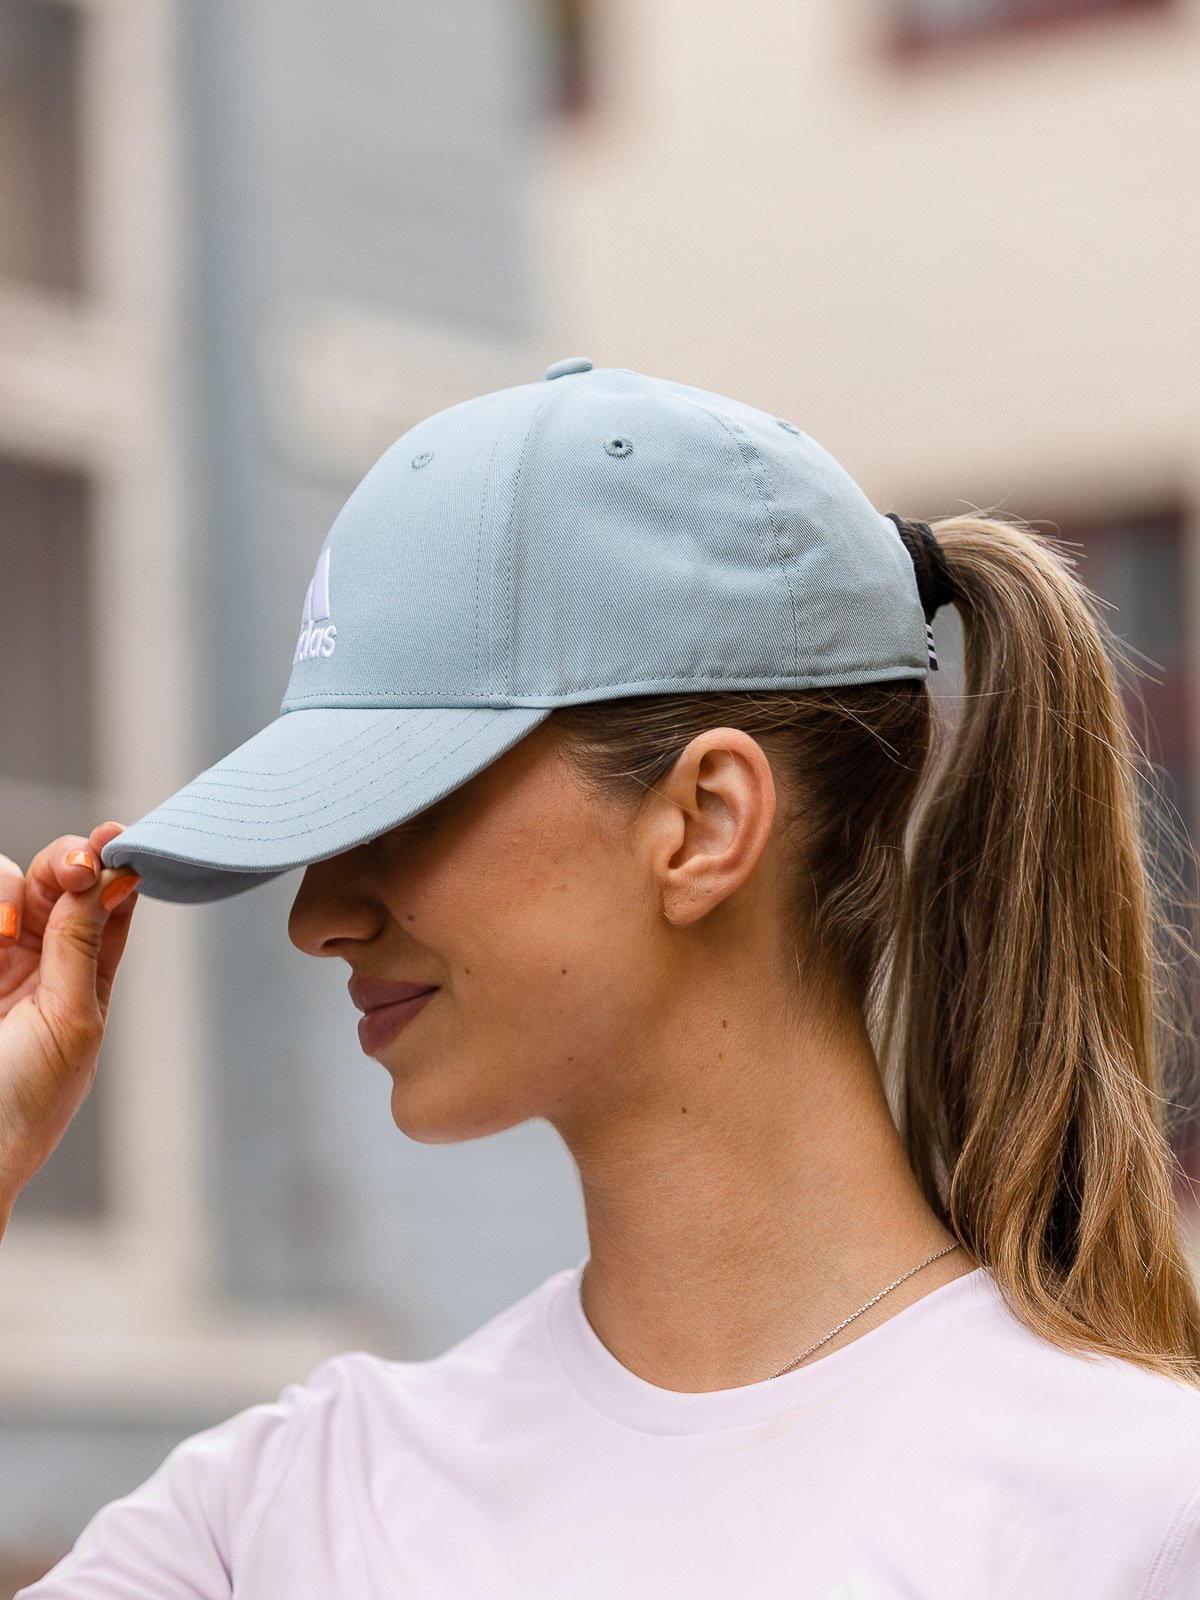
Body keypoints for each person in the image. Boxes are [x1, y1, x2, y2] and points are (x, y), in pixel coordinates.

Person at [2, 358, 1200, 1597]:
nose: (319, 916)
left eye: (403, 804)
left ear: (703, 821)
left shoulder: (1134, 1517)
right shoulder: (284, 1515)